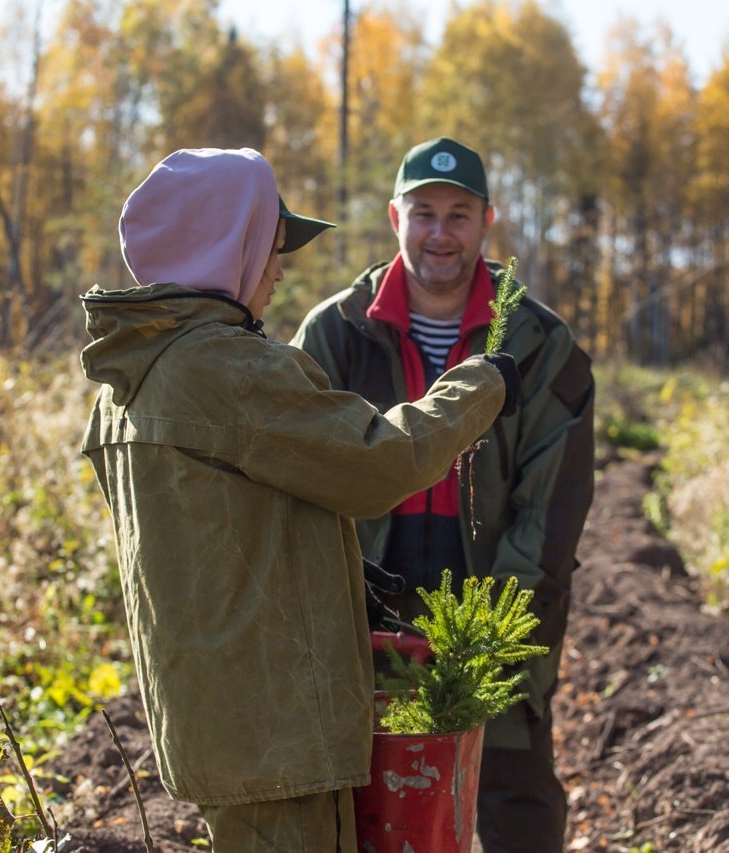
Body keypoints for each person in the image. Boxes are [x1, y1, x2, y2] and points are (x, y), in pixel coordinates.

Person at [78, 147, 520, 851]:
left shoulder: (128, 378)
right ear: (232, 251)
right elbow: (380, 460)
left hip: (213, 717)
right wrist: (481, 384)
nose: (280, 272)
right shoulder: (227, 367)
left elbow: (225, 523)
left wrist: (332, 565)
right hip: (276, 725)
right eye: (272, 249)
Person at [291, 136, 595, 853]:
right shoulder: (333, 334)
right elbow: (301, 478)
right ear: (394, 216)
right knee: (362, 797)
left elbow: (549, 512)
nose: (440, 233)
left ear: (488, 220)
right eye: (423, 212)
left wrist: (489, 632)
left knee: (514, 791)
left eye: (459, 215)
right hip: (363, 607)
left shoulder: (539, 342)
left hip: (496, 600)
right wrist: (336, 606)